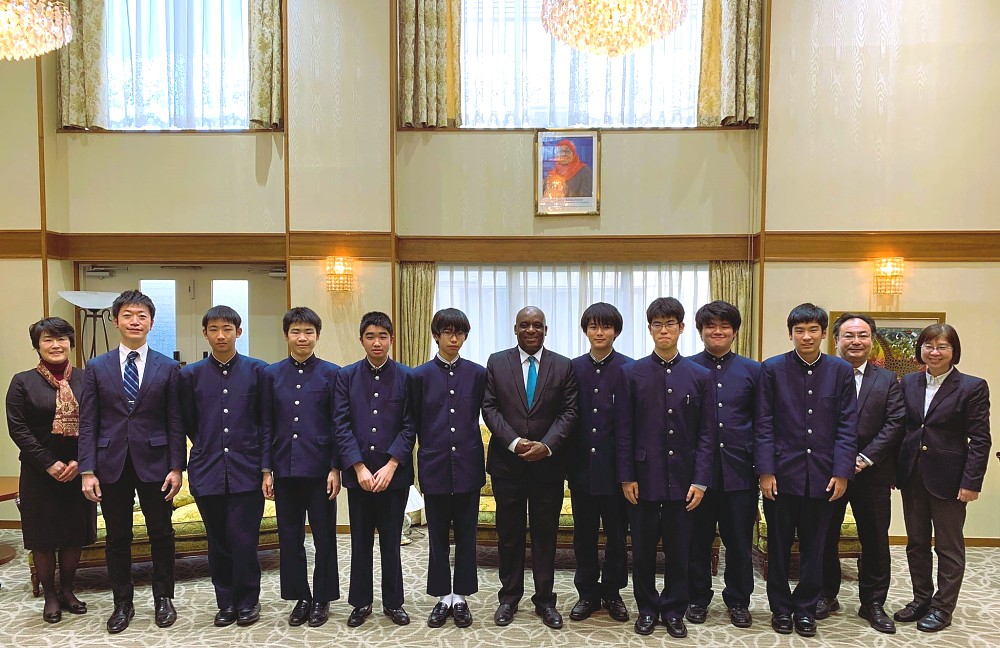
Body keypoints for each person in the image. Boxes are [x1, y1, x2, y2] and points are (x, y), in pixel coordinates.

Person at [78, 290, 185, 634]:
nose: (135, 321)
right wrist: (87, 470)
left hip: (155, 463)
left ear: (151, 323)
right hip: (111, 464)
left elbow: (175, 422)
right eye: (128, 315)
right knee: (117, 537)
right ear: (115, 320)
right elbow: (88, 423)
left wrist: (176, 467)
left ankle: (163, 598)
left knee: (161, 533)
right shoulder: (96, 367)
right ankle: (122, 602)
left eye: (142, 315)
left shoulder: (167, 367)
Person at [755, 303, 857, 638]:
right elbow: (764, 423)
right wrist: (765, 471)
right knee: (780, 548)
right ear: (790, 334)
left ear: (824, 334)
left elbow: (847, 425)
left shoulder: (840, 371)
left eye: (813, 329)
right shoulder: (772, 369)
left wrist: (842, 472)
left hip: (824, 475)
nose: (806, 336)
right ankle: (781, 609)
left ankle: (806, 608)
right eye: (799, 330)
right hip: (781, 475)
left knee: (815, 548)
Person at [617, 297, 714, 638]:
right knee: (642, 550)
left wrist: (701, 481)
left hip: (685, 480)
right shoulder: (631, 373)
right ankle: (646, 608)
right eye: (657, 324)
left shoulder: (700, 376)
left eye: (670, 324)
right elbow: (624, 430)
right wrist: (626, 475)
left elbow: (706, 433)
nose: (664, 330)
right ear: (649, 329)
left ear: (682, 328)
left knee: (679, 551)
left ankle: (673, 609)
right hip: (642, 478)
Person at [483, 306, 578, 630]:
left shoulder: (563, 366)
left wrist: (546, 445)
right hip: (507, 465)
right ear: (515, 329)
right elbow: (490, 407)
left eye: (537, 325)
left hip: (547, 467)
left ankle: (545, 600)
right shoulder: (497, 362)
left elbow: (568, 412)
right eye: (525, 325)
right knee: (508, 536)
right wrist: (515, 442)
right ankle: (508, 598)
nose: (531, 330)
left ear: (546, 329)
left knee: (544, 536)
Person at [894, 324, 991, 633]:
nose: (934, 352)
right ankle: (921, 599)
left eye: (942, 347)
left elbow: (980, 440)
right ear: (920, 349)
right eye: (928, 346)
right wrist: (897, 471)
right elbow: (902, 430)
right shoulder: (907, 382)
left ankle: (943, 607)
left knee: (948, 547)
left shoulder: (972, 386)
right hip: (913, 477)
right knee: (916, 544)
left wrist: (971, 482)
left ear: (953, 351)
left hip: (950, 480)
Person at [178, 306, 268, 628]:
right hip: (208, 469)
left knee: (244, 540)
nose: (220, 335)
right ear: (205, 333)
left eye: (227, 329)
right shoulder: (190, 375)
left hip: (248, 469)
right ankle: (225, 602)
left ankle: (248, 601)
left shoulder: (258, 371)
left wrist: (266, 468)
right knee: (217, 542)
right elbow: (186, 422)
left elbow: (266, 423)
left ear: (238, 333)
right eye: (213, 329)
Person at [5, 317, 97, 623]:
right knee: (43, 538)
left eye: (61, 339)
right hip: (38, 472)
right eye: (47, 339)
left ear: (71, 343)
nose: (55, 345)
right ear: (37, 346)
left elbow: (97, 423)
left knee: (73, 535)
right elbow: (18, 429)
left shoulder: (87, 379)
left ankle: (68, 590)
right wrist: (48, 462)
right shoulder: (22, 381)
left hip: (78, 470)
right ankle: (51, 595)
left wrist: (80, 462)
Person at [820, 313, 905, 633]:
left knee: (875, 541)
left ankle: (873, 602)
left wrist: (864, 458)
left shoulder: (887, 380)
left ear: (871, 340)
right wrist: (838, 460)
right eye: (849, 335)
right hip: (829, 472)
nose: (856, 341)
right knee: (824, 537)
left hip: (872, 474)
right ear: (837, 340)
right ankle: (826, 595)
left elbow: (895, 423)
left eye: (863, 335)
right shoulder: (822, 374)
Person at [260, 307, 342, 628]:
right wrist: (266, 469)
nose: (302, 337)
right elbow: (265, 424)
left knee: (324, 538)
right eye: (296, 331)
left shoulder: (332, 374)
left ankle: (322, 598)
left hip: (321, 470)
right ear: (286, 336)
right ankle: (301, 597)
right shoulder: (271, 374)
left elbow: (338, 425)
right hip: (283, 469)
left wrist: (336, 468)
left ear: (317, 336)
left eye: (309, 332)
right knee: (289, 538)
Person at [335, 311, 416, 628]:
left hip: (394, 478)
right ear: (361, 340)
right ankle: (361, 602)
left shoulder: (408, 377)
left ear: (392, 340)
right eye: (370, 336)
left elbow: (411, 427)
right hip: (359, 478)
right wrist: (358, 467)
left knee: (391, 542)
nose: (377, 342)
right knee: (360, 542)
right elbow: (340, 425)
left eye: (383, 336)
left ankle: (394, 602)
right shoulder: (347, 376)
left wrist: (391, 465)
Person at [409, 308, 487, 629]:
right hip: (435, 466)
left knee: (467, 536)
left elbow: (489, 414)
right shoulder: (419, 376)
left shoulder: (478, 374)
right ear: (436, 335)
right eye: (447, 332)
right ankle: (443, 597)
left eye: (459, 333)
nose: (453, 338)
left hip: (468, 466)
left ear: (466, 336)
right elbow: (411, 423)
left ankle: (462, 598)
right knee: (437, 536)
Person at [686, 301, 760, 629]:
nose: (717, 331)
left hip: (740, 472)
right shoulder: (686, 369)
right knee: (697, 542)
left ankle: (739, 600)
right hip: (697, 476)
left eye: (724, 326)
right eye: (710, 326)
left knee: (740, 543)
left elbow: (763, 423)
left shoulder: (753, 371)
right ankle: (697, 598)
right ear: (700, 330)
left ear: (734, 331)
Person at [567, 303, 632, 624]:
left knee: (617, 536)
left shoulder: (630, 369)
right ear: (586, 331)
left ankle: (613, 592)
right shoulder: (572, 369)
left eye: (606, 327)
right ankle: (587, 593)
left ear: (616, 331)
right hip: (581, 470)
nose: (599, 333)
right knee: (585, 536)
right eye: (593, 327)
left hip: (617, 472)